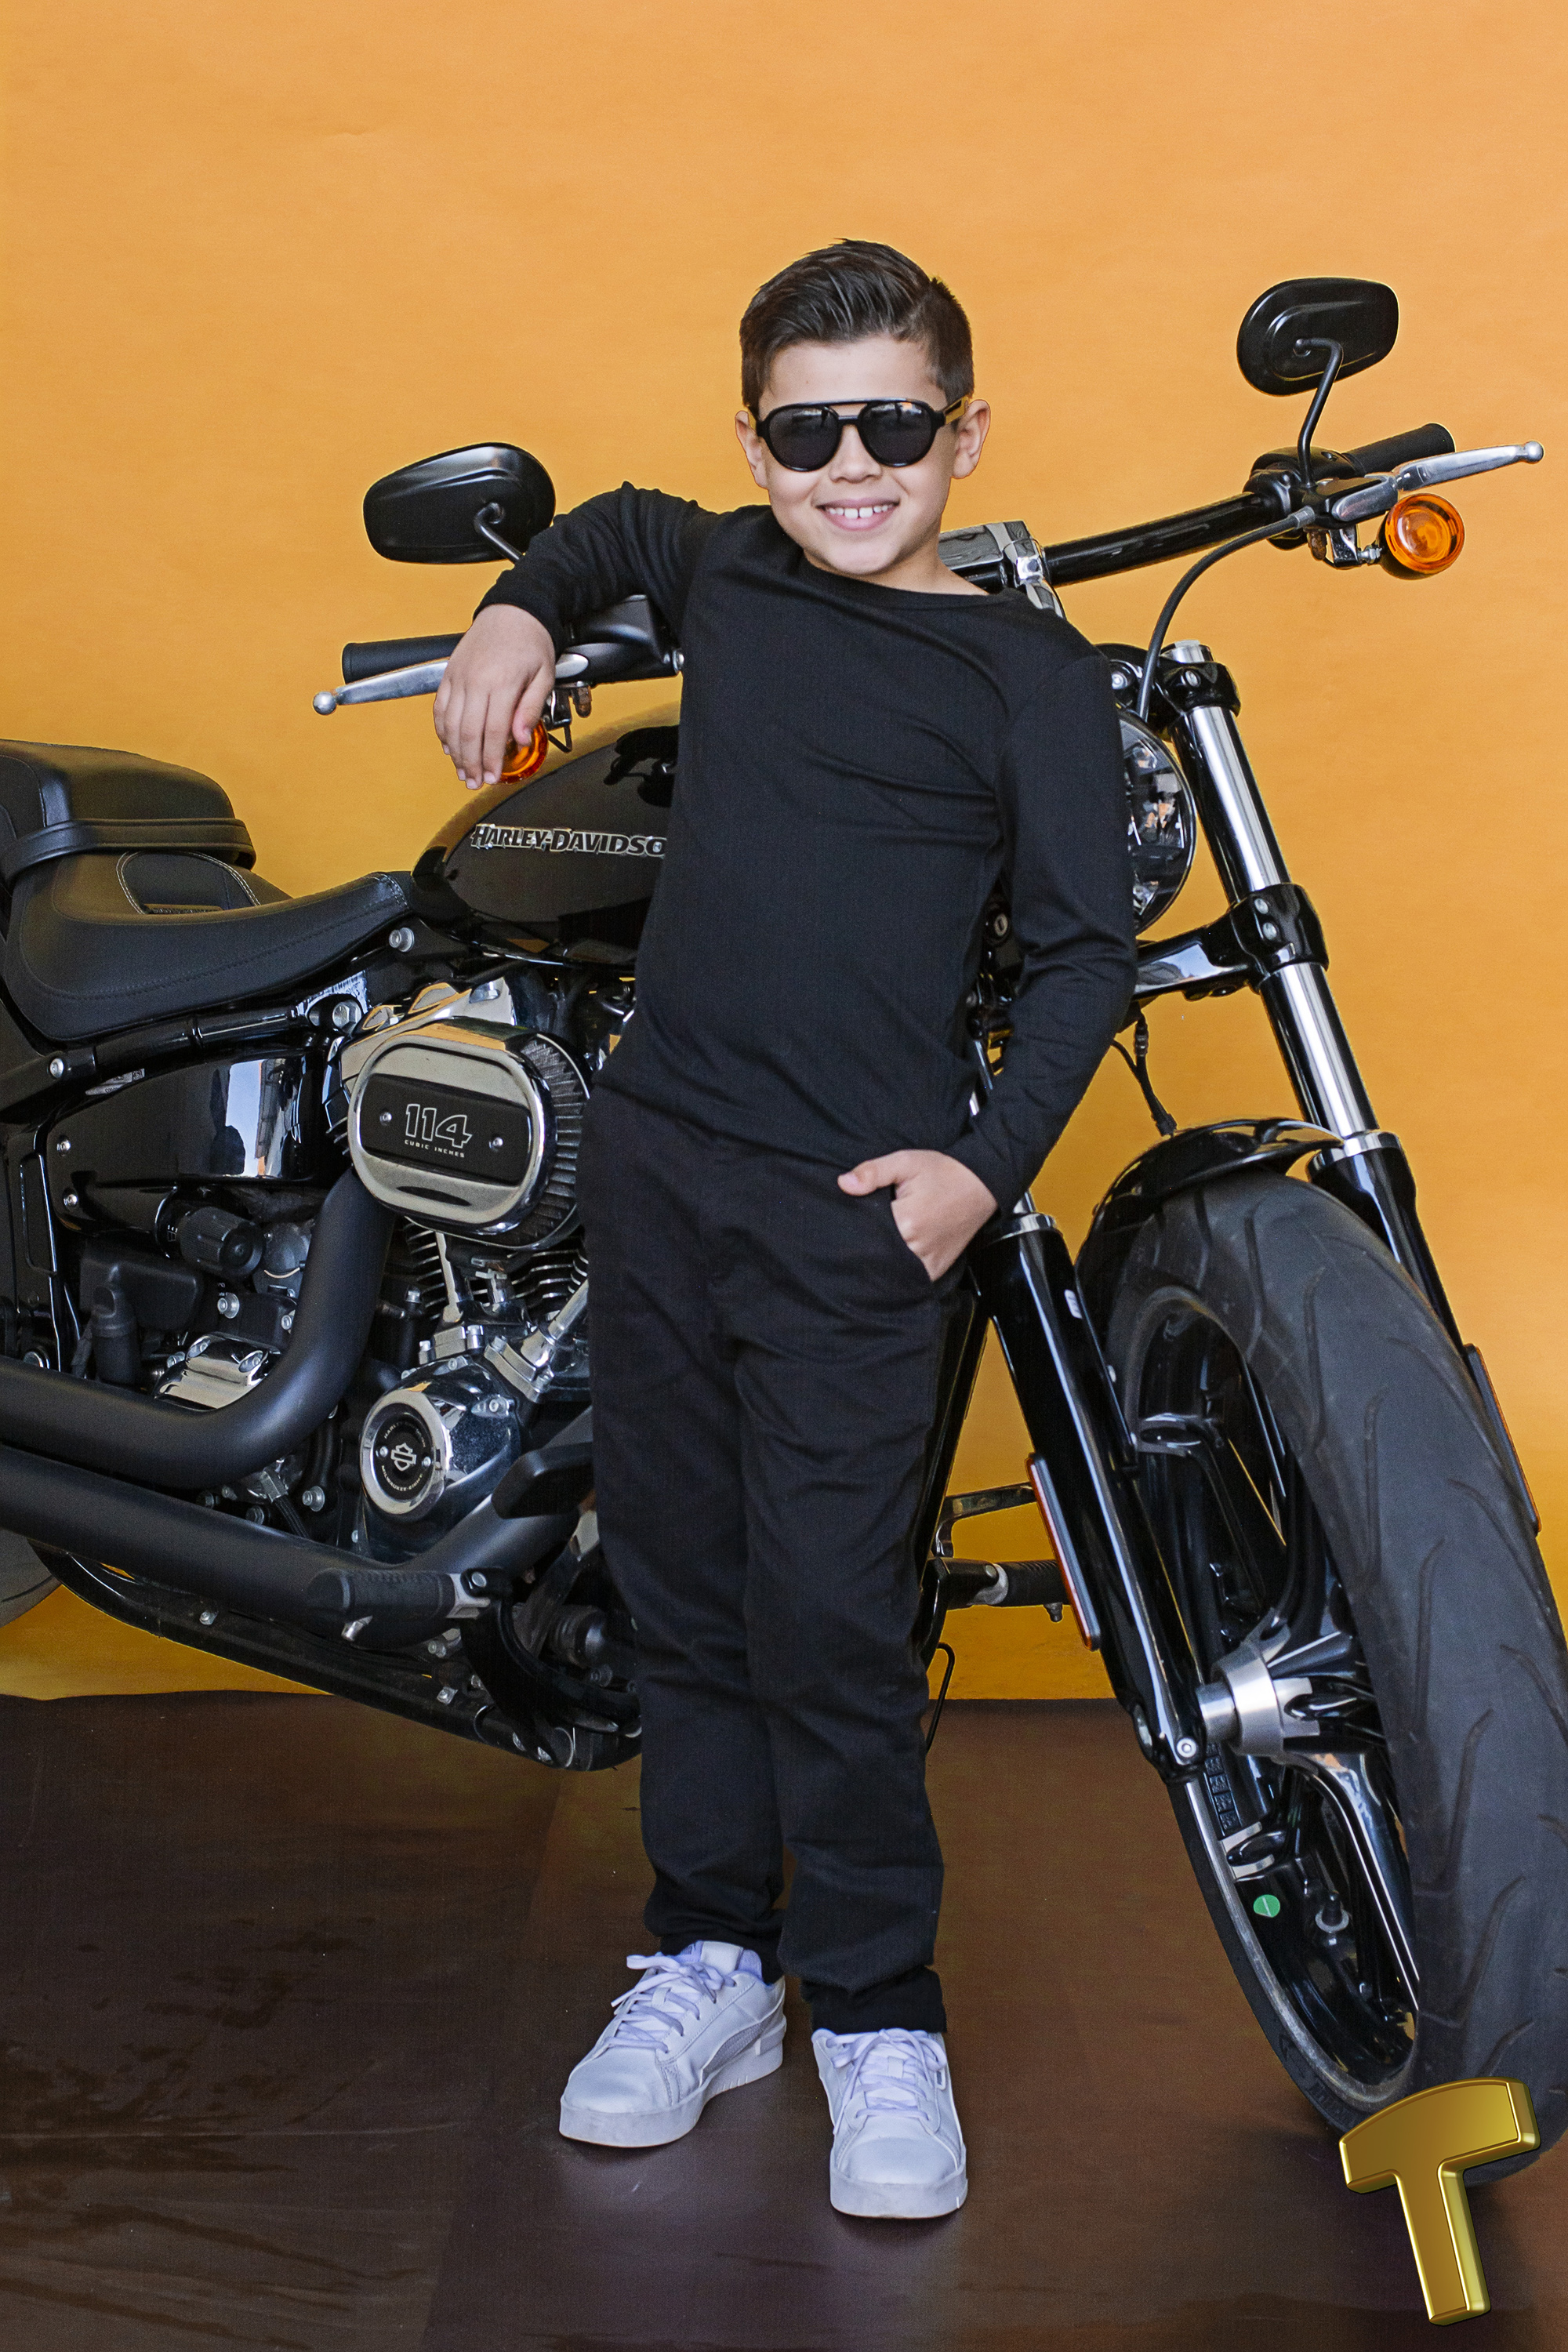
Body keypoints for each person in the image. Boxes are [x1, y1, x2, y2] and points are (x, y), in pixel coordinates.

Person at [433, 241, 1136, 2220]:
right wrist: (512, 611)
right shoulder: (728, 571)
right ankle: (712, 1962)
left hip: (855, 1216)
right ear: (754, 445)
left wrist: (976, 1173)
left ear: (965, 434)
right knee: (683, 1592)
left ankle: (879, 2011)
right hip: (662, 1171)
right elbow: (604, 531)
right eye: (806, 433)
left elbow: (1083, 960)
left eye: (892, 425)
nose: (851, 467)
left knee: (830, 1619)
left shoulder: (1028, 674)